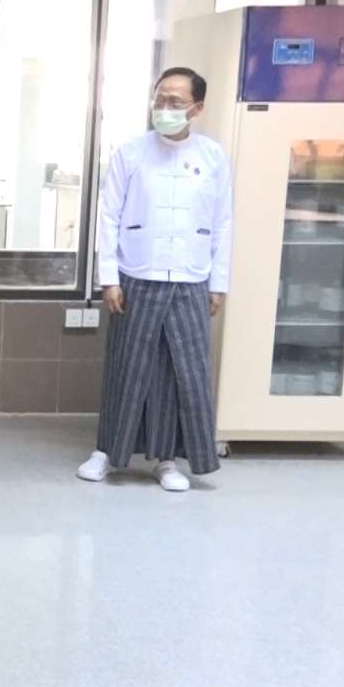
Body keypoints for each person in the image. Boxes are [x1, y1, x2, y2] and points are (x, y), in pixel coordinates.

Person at [78, 67, 234, 492]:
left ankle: (167, 460)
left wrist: (218, 283)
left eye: (175, 101)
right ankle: (106, 452)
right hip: (137, 275)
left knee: (181, 370)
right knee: (127, 365)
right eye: (160, 98)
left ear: (197, 108)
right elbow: (108, 217)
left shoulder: (213, 157)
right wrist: (109, 278)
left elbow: (223, 223)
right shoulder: (131, 153)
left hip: (190, 278)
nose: (165, 107)